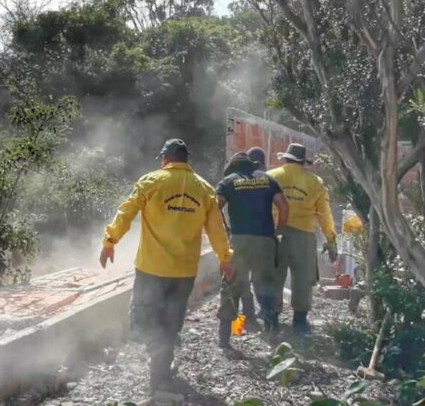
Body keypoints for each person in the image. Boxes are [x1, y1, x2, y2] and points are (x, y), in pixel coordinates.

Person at [99, 139, 234, 400]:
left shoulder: (151, 181)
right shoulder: (204, 189)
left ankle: (158, 364)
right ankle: (160, 372)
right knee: (171, 321)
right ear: (185, 159)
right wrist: (225, 258)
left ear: (166, 158)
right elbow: (217, 229)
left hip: (151, 268)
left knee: (142, 317)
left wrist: (110, 241)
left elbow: (125, 212)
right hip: (183, 272)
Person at [216, 152, 289, 351]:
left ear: (233, 168)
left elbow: (215, 209)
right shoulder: (268, 180)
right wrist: (277, 232)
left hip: (239, 241)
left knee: (231, 285)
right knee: (266, 285)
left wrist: (224, 231)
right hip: (265, 241)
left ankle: (224, 340)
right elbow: (284, 207)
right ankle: (272, 333)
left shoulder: (228, 182)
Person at [267, 143, 337, 335]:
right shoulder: (316, 182)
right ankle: (299, 321)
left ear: (286, 158)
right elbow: (324, 214)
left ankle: (272, 318)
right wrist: (331, 239)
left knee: (274, 276)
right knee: (303, 278)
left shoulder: (271, 176)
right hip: (304, 235)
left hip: (275, 233)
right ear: (303, 162)